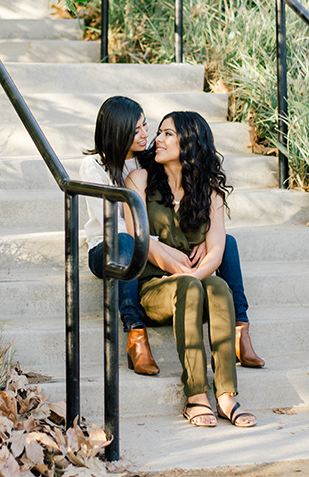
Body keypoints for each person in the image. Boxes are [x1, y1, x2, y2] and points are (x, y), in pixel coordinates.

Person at [80, 97, 265, 377]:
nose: (147, 136)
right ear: (118, 132)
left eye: (147, 127)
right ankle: (135, 333)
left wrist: (204, 239)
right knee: (127, 242)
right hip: (110, 248)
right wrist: (171, 261)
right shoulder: (94, 167)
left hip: (149, 245)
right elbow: (120, 227)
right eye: (137, 130)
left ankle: (241, 329)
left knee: (228, 244)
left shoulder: (147, 159)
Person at [124, 111, 256, 428]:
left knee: (219, 286)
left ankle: (226, 395)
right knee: (190, 288)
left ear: (190, 141)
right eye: (159, 133)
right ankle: (196, 395)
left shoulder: (209, 191)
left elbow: (217, 252)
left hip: (189, 284)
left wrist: (192, 277)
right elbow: (135, 238)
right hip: (155, 288)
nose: (157, 139)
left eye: (167, 133)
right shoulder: (139, 181)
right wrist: (181, 275)